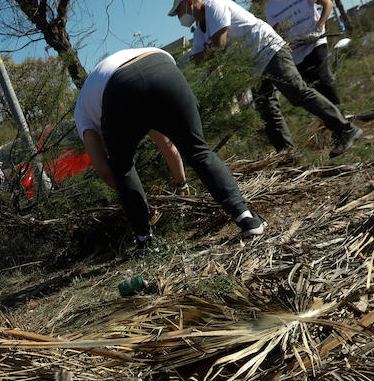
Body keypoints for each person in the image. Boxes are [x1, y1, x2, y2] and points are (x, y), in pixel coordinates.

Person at [74, 47, 266, 252]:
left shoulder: (82, 115)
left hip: (119, 88)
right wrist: (181, 183)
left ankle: (145, 240)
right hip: (162, 68)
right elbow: (167, 144)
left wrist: (140, 201)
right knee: (198, 150)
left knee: (122, 169)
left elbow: (106, 171)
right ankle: (245, 217)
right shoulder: (94, 94)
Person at [168, 0, 362, 157]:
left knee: (297, 92)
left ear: (190, 2)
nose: (179, 17)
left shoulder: (214, 6)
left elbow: (220, 43)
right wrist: (209, 50)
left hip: (270, 49)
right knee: (266, 109)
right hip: (254, 65)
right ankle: (287, 156)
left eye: (179, 12)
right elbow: (197, 59)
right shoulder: (200, 30)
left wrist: (208, 50)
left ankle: (346, 129)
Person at [259, 0, 342, 109]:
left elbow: (328, 4)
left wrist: (319, 28)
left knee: (323, 78)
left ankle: (342, 115)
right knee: (312, 89)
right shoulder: (270, 8)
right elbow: (278, 33)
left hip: (316, 42)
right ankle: (332, 121)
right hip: (296, 53)